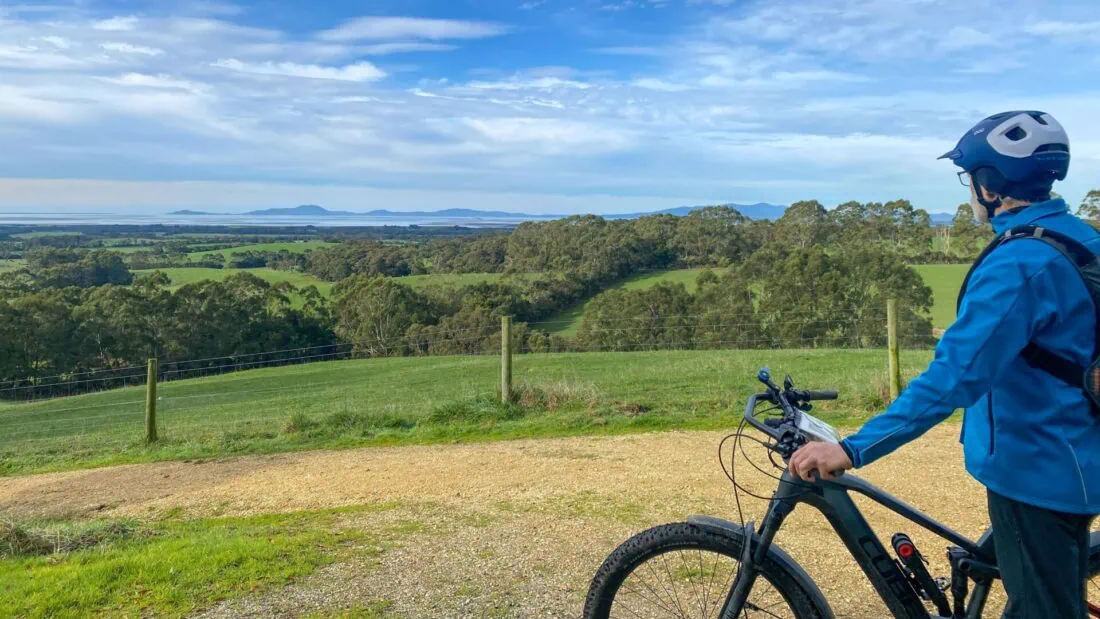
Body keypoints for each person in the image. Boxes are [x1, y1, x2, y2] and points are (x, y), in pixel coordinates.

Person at [788, 110, 1100, 618]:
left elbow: (951, 379)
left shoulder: (1018, 266)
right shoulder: (1081, 237)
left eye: (971, 177)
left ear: (991, 183)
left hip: (1037, 470)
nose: (970, 190)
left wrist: (851, 449)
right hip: (1076, 451)